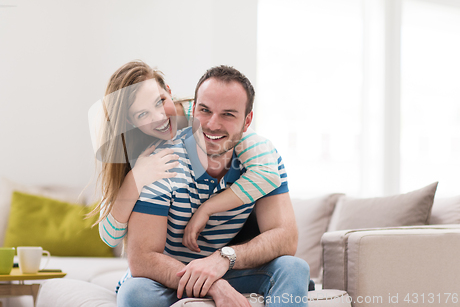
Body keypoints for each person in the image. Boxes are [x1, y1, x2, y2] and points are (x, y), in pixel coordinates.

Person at [115, 65, 310, 307]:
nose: (212, 124)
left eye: (228, 114)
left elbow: (285, 238)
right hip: (168, 277)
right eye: (205, 110)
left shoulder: (262, 162)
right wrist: (214, 284)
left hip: (229, 268)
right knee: (136, 293)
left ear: (247, 120)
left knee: (294, 268)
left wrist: (223, 259)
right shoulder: (161, 164)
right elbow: (142, 258)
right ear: (192, 109)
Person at [93, 61, 282, 254]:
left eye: (160, 101)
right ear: (130, 121)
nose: (159, 117)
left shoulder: (204, 116)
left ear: (168, 91)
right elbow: (110, 237)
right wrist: (136, 178)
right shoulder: (132, 149)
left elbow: (267, 172)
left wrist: (207, 208)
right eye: (142, 114)